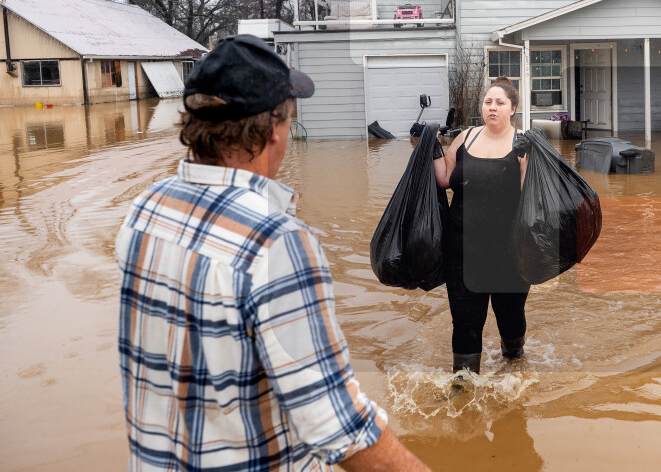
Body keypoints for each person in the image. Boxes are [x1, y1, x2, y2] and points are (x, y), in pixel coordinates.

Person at [115, 34, 427, 471]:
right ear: (273, 130)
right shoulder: (276, 242)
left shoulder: (146, 209)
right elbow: (337, 425)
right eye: (289, 120)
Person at [433, 76, 530, 374]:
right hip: (463, 250)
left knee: (510, 317)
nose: (493, 107)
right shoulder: (466, 137)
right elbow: (444, 178)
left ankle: (514, 365)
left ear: (513, 108)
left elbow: (532, 197)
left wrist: (536, 154)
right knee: (464, 321)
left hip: (509, 253)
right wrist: (429, 144)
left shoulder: (523, 144)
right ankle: (463, 385)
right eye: (488, 102)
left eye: (500, 103)